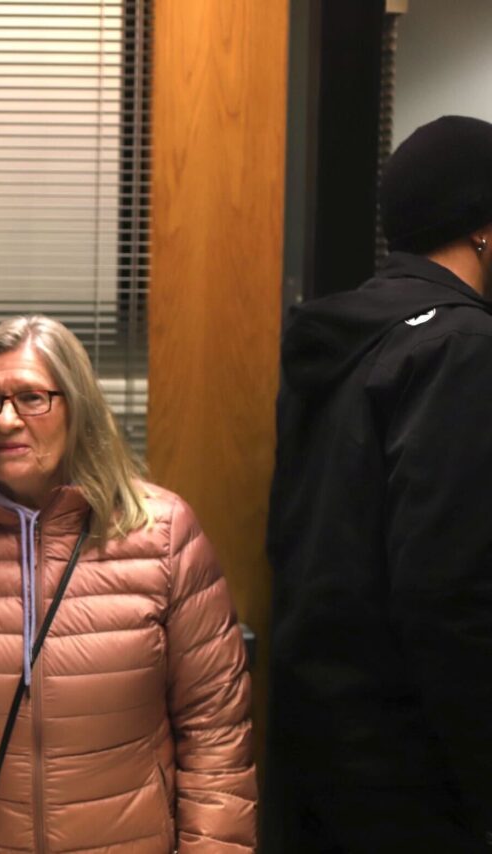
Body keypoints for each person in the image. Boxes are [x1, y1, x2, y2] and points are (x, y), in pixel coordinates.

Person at [0, 315, 256, 853]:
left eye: (32, 398)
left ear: (77, 408)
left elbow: (216, 734)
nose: (5, 420)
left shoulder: (162, 535)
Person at [265, 115, 492, 853]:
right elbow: (449, 591)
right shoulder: (462, 348)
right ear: (483, 229)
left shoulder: (344, 340)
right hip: (426, 780)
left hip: (326, 757)